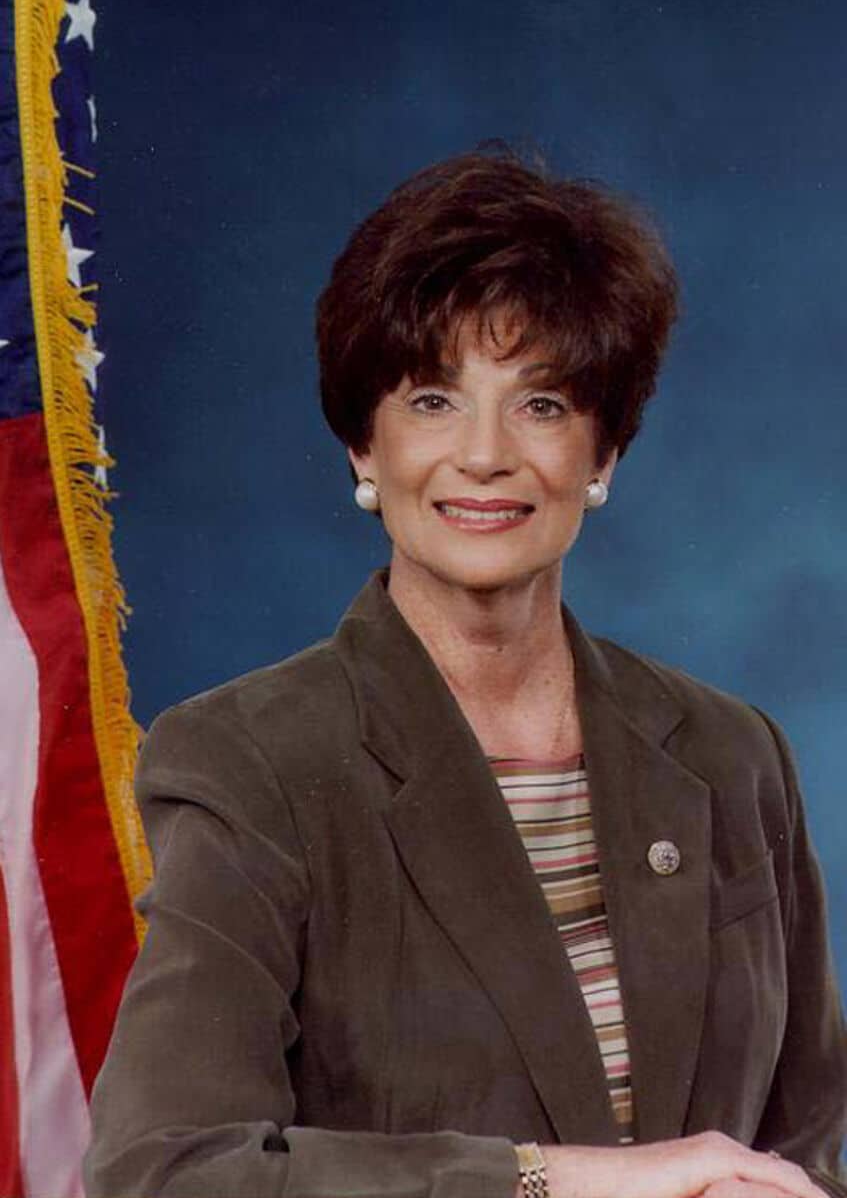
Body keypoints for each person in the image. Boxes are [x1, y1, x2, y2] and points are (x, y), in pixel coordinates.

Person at [83, 150, 846, 1198]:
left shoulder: (733, 753)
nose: (484, 455)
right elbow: (165, 1171)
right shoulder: (249, 762)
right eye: (433, 400)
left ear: (603, 454)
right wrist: (555, 1180)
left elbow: (806, 1153)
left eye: (542, 404)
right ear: (363, 446)